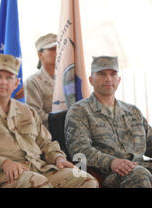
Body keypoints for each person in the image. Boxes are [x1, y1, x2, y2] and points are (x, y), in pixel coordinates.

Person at [0, 54, 98, 188]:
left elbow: (45, 143)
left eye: (9, 77)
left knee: (86, 180)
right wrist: (3, 162)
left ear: (16, 83)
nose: (3, 82)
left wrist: (58, 158)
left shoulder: (27, 111)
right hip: (6, 175)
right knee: (39, 184)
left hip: (40, 169)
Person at [65, 56, 152, 188]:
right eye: (101, 74)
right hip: (109, 174)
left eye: (113, 74)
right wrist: (112, 162)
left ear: (119, 79)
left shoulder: (133, 111)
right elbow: (79, 151)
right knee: (139, 174)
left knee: (140, 171)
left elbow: (150, 141)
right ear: (91, 80)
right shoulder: (80, 111)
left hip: (141, 167)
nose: (108, 79)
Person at [24, 33, 57, 128]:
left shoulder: (67, 78)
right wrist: (62, 121)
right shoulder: (33, 81)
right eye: (52, 49)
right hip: (47, 134)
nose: (57, 52)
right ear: (40, 55)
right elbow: (36, 114)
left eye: (59, 48)